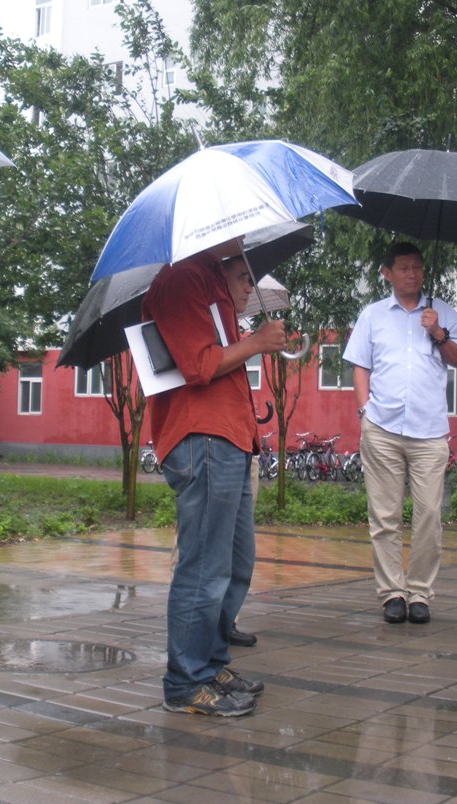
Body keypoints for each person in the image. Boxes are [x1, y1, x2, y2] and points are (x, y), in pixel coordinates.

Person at [142, 240, 286, 716]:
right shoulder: (182, 277)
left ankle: (210, 663)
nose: (242, 238)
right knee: (204, 566)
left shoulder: (212, 281)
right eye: (236, 231)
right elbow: (198, 365)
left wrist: (247, 331)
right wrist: (256, 342)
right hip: (201, 438)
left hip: (231, 438)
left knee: (236, 563)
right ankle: (185, 682)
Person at [343, 241, 457, 625]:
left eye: (417, 267)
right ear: (388, 274)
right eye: (404, 268)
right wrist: (364, 411)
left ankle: (420, 593)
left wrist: (438, 331)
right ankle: (392, 593)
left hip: (429, 432)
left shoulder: (441, 312)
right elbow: (360, 365)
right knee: (384, 516)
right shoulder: (373, 315)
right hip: (382, 427)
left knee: (429, 515)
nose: (412, 274)